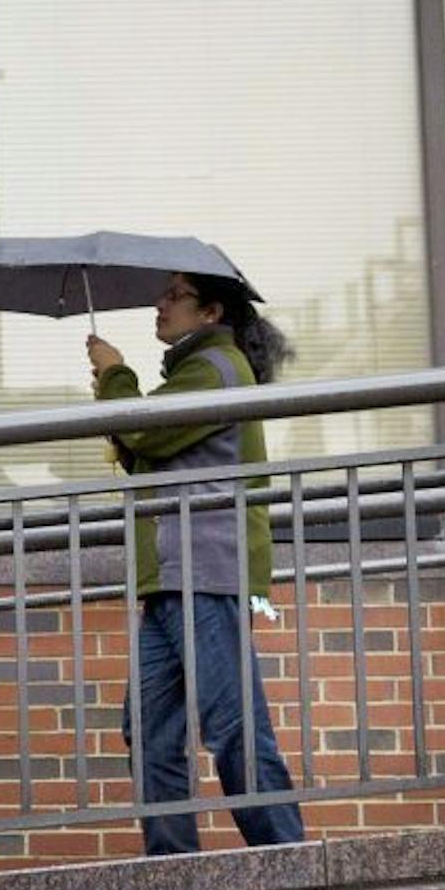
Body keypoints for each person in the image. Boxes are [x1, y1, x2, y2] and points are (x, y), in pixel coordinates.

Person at [86, 269, 306, 856]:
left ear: (209, 313)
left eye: (174, 296)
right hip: (171, 575)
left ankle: (287, 862)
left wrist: (114, 373)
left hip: (204, 571)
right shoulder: (191, 374)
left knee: (232, 724)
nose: (160, 303)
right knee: (150, 732)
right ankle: (172, 868)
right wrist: (119, 402)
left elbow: (149, 434)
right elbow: (151, 451)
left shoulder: (217, 368)